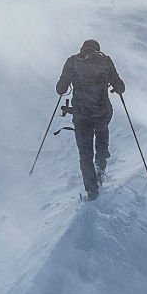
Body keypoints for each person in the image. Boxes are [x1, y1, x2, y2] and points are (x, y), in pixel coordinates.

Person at [55, 39, 126, 200]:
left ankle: (92, 191)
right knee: (101, 142)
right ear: (97, 50)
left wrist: (69, 82)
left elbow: (60, 89)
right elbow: (120, 87)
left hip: (81, 116)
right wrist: (113, 86)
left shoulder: (72, 62)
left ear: (82, 49)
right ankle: (100, 169)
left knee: (85, 154)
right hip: (102, 113)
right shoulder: (105, 61)